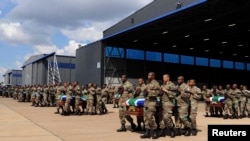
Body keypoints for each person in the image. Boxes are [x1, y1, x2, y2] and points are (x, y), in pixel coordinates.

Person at [140, 72, 160, 139]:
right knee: (145, 118)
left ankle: (154, 131)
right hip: (146, 102)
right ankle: (147, 132)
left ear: (153, 76)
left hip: (152, 102)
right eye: (148, 75)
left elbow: (158, 93)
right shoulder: (148, 84)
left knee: (150, 117)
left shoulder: (156, 84)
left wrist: (149, 92)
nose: (148, 76)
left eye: (150, 75)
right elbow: (144, 91)